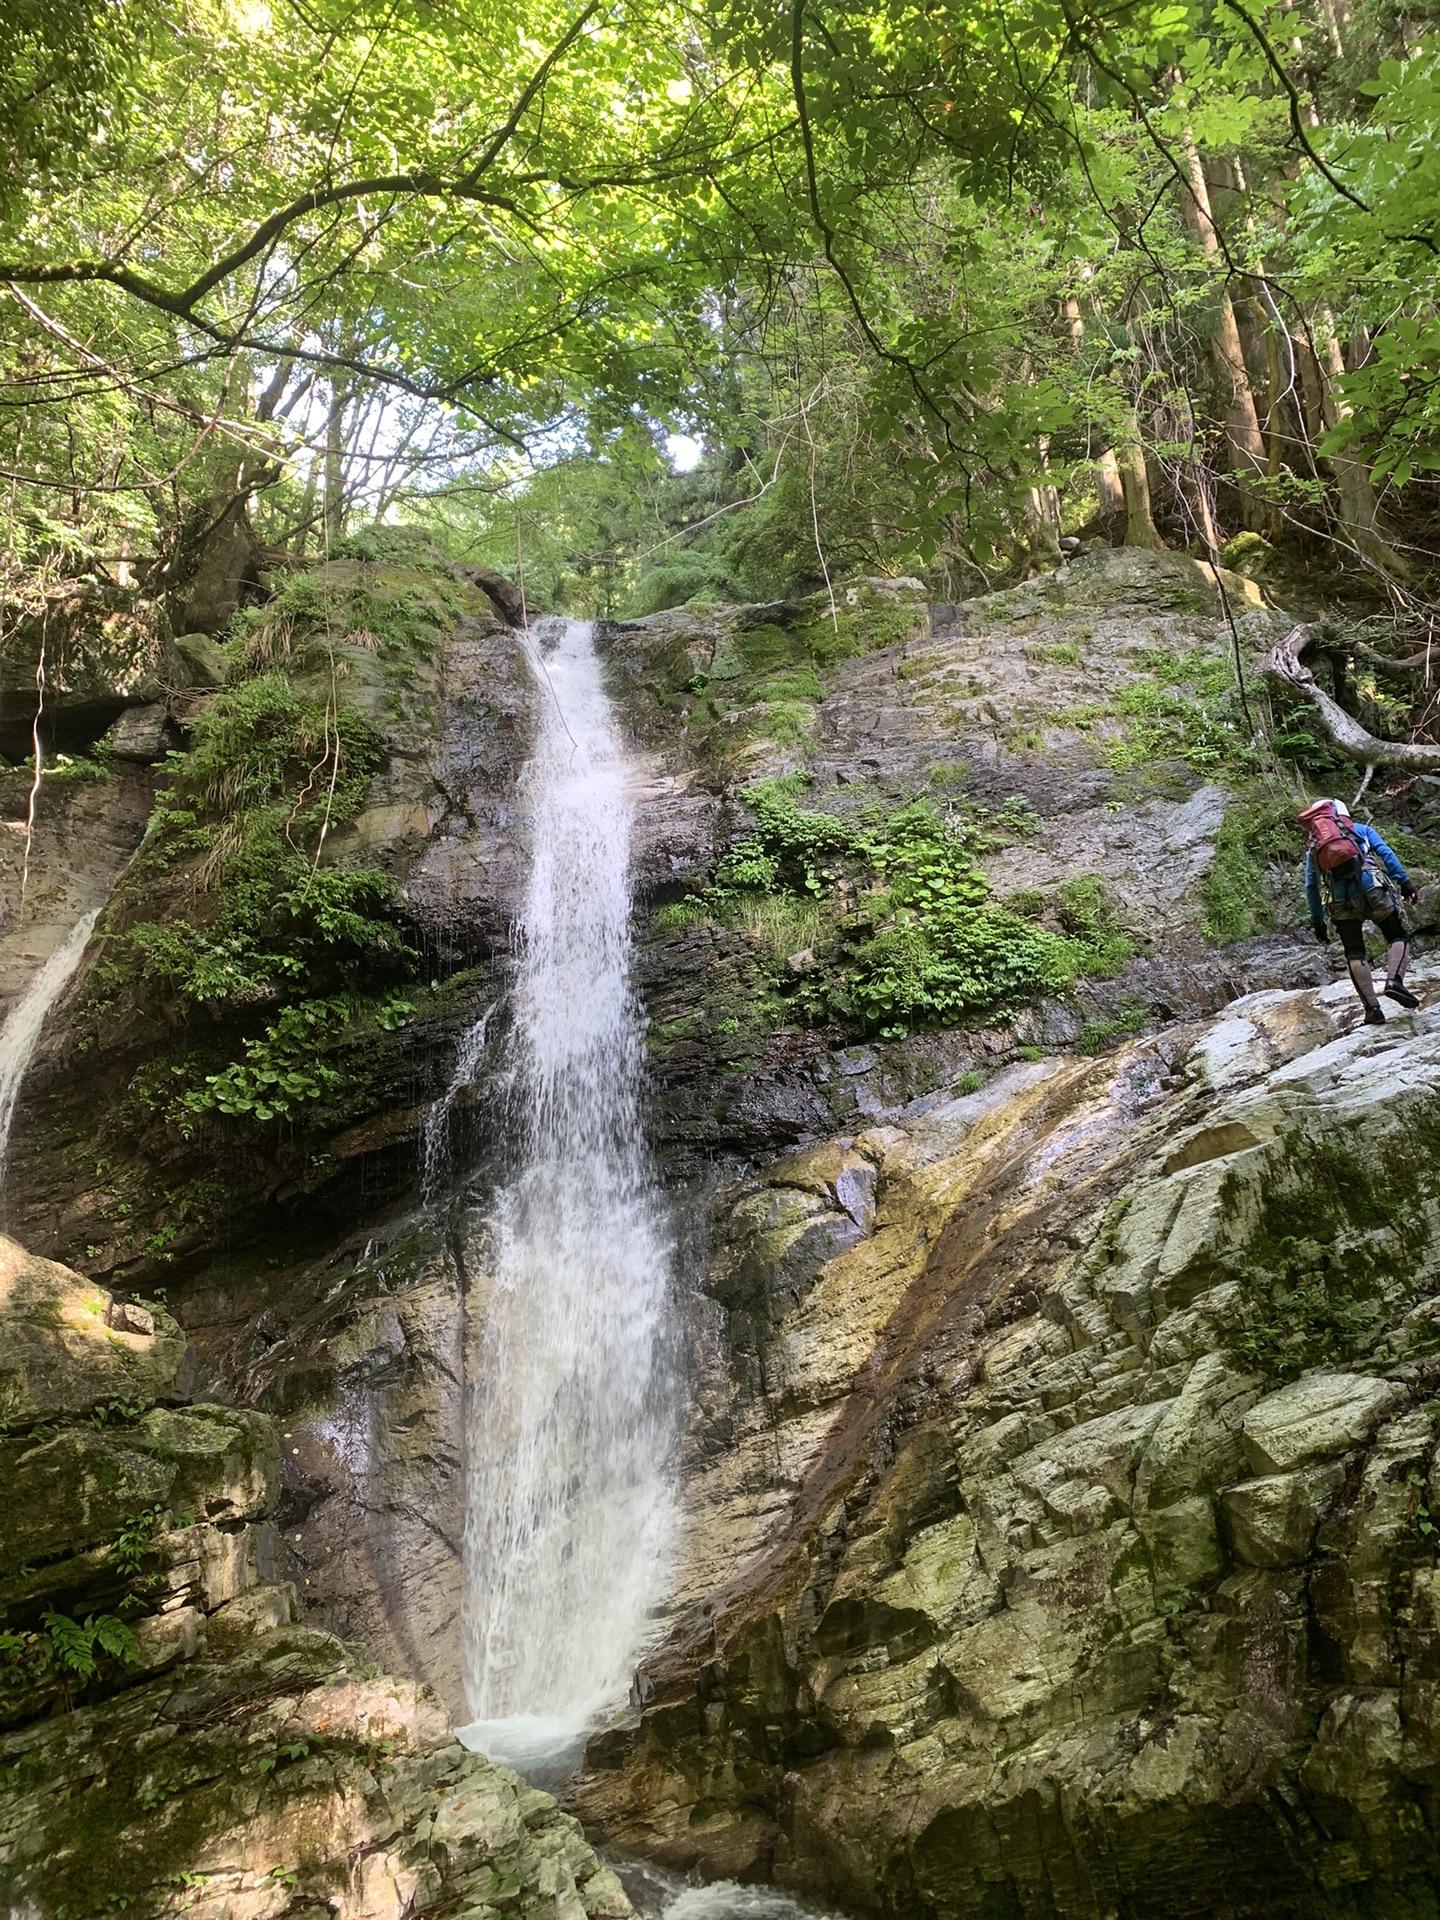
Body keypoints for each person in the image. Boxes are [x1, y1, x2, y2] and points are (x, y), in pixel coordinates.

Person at [1303, 799, 1419, 1024]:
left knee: (1354, 952)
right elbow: (1385, 853)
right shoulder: (1361, 830)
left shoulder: (1315, 847)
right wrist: (1405, 882)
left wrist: (1317, 921)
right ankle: (1394, 981)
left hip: (1340, 899)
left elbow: (1311, 886)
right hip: (1372, 886)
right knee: (1397, 935)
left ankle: (1372, 1009)